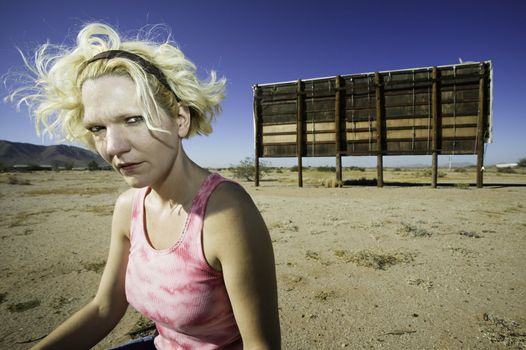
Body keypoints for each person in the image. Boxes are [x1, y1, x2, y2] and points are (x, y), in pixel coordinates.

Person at [7, 23, 280, 350]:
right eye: (97, 128)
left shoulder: (226, 213)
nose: (112, 146)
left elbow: (260, 346)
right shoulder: (128, 208)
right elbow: (104, 308)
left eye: (133, 119)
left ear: (179, 119)